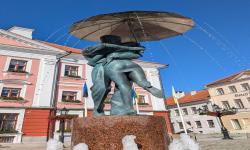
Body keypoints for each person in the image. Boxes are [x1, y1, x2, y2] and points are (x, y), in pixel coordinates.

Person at [83, 35, 164, 116]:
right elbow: (137, 55)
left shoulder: (102, 48)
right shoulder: (126, 47)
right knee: (125, 85)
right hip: (130, 65)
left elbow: (90, 59)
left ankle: (98, 110)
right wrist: (129, 48)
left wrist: (109, 54)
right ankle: (145, 86)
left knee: (103, 88)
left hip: (107, 67)